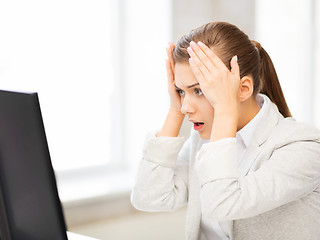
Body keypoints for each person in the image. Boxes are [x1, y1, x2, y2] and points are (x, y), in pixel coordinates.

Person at [131, 22, 320, 240]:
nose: (186, 107)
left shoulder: (303, 147)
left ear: (243, 88)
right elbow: (148, 197)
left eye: (199, 90)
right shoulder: (204, 141)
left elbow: (221, 204)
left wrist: (225, 110)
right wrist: (174, 110)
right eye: (181, 91)